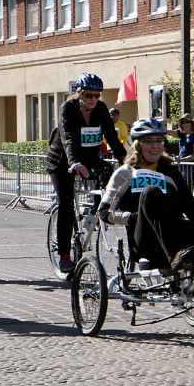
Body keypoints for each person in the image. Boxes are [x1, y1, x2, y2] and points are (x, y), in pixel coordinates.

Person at [98, 117, 194, 273]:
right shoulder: (125, 173)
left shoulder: (170, 171)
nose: (155, 146)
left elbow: (190, 207)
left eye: (159, 141)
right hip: (145, 241)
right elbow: (105, 212)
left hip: (176, 233)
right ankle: (173, 256)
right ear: (138, 145)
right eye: (149, 141)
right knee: (151, 191)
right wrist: (136, 217)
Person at [47, 73, 126, 273]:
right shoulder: (67, 108)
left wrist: (129, 162)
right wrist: (73, 162)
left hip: (90, 158)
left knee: (110, 184)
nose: (93, 99)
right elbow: (67, 138)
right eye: (89, 95)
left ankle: (95, 214)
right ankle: (65, 254)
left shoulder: (100, 109)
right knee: (66, 205)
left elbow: (112, 138)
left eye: (97, 95)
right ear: (79, 93)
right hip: (63, 160)